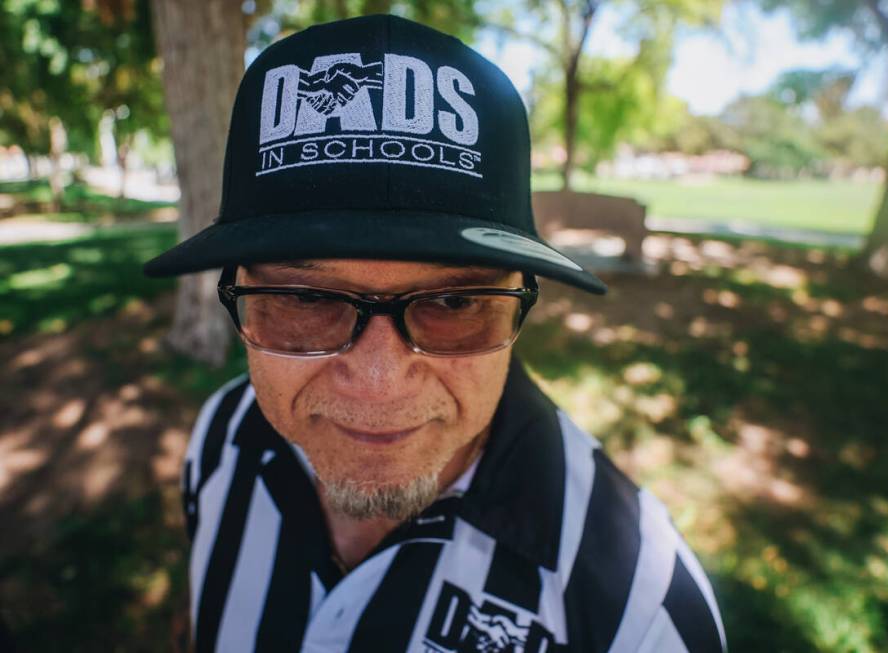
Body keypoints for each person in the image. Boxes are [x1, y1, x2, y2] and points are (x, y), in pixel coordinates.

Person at [144, 14, 726, 653]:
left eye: (454, 300)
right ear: (237, 290)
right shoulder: (222, 438)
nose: (378, 380)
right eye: (306, 297)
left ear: (518, 305)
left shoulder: (639, 611)